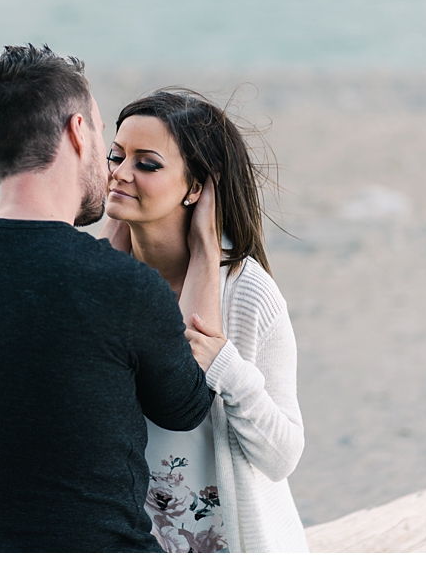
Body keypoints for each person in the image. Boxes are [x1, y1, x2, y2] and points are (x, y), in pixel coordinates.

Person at [0, 45, 213, 552]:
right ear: (75, 132)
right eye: (100, 136)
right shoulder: (120, 287)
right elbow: (186, 407)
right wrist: (203, 243)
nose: (110, 166)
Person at [101, 89, 308, 553]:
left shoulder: (247, 292)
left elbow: (283, 455)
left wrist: (228, 368)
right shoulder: (96, 281)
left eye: (146, 164)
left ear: (195, 188)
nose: (119, 173)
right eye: (116, 156)